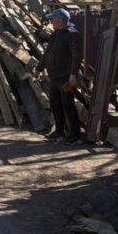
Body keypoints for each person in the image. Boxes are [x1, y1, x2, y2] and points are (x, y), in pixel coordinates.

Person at [35, 8, 83, 143]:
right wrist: (39, 69)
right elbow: (47, 54)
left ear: (60, 21)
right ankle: (59, 132)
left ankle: (75, 135)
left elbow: (77, 56)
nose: (51, 22)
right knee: (55, 105)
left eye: (53, 20)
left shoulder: (72, 35)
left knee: (68, 106)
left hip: (66, 77)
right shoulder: (55, 35)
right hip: (54, 77)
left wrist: (73, 74)